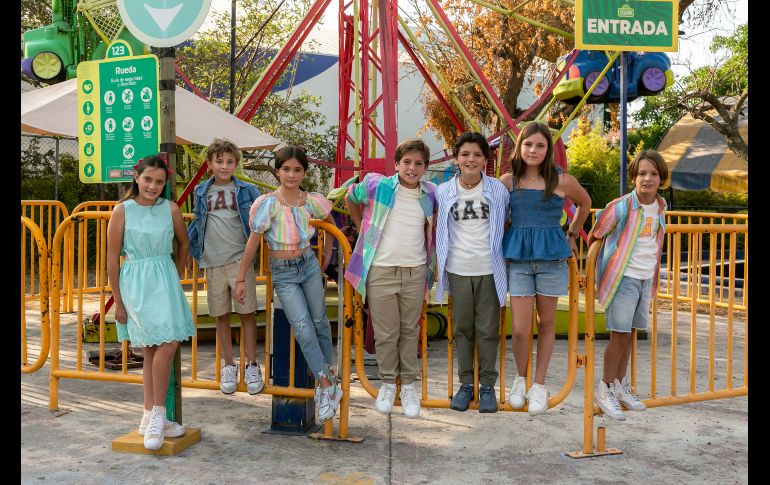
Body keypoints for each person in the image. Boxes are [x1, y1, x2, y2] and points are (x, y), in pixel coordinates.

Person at [235, 146, 341, 422]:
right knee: (303, 328)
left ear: (304, 172)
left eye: (297, 170)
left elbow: (330, 222)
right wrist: (240, 277)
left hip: (307, 264)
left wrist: (327, 254)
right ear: (278, 171)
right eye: (286, 169)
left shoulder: (311, 200)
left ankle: (329, 376)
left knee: (319, 322)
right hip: (283, 271)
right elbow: (254, 240)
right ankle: (326, 385)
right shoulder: (267, 203)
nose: (291, 175)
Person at [499, 122, 591, 415]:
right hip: (520, 260)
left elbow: (585, 202)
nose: (533, 150)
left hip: (551, 259)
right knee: (521, 327)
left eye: (540, 145)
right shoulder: (506, 181)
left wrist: (573, 233)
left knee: (547, 322)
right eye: (528, 145)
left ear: (548, 149)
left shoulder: (562, 181)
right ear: (519, 147)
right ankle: (520, 379)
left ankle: (539, 385)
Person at [107, 155, 196, 451]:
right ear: (136, 176)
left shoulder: (170, 209)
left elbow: (184, 242)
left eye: (159, 182)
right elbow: (111, 259)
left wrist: (177, 272)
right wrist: (117, 301)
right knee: (164, 344)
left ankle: (149, 415)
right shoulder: (122, 211)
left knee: (156, 349)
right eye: (148, 179)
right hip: (136, 282)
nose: (153, 186)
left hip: (165, 278)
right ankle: (159, 413)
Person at [344, 138, 437, 419]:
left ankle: (408, 384)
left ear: (425, 168)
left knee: (410, 330)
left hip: (415, 268)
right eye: (406, 162)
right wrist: (363, 227)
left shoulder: (431, 193)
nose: (412, 168)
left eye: (418, 163)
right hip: (381, 268)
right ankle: (387, 383)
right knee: (385, 332)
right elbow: (350, 196)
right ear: (396, 164)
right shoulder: (378, 185)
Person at [587, 149, 668, 421]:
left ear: (661, 178)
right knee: (619, 335)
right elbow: (597, 232)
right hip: (623, 278)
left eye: (653, 174)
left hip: (645, 277)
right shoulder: (621, 206)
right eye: (642, 173)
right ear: (633, 177)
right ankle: (604, 387)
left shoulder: (661, 207)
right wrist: (599, 266)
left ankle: (619, 386)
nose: (647, 179)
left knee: (631, 335)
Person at [434, 132, 509, 413]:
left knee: (488, 329)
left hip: (489, 269)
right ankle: (466, 384)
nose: (471, 159)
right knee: (463, 328)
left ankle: (487, 385)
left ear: (485, 160)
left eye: (477, 155)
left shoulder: (497, 191)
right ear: (456, 158)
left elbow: (506, 222)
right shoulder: (443, 192)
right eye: (465, 154)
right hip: (458, 268)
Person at [187, 138, 264, 396]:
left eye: (230, 162)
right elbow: (196, 225)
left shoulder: (246, 191)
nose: (224, 166)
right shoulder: (201, 192)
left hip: (239, 261)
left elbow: (258, 221)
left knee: (247, 313)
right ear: (209, 164)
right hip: (213, 262)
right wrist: (189, 250)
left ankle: (252, 364)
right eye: (219, 161)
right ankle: (229, 365)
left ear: (236, 164)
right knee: (220, 315)